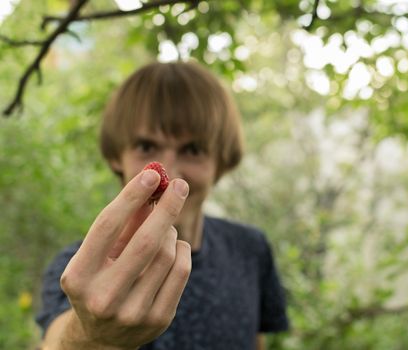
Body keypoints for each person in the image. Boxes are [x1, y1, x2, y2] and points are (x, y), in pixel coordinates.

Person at [36, 61, 289, 349]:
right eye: (146, 147)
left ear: (221, 163)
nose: (168, 173)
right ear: (116, 157)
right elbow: (56, 340)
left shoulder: (250, 249)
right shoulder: (80, 268)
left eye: (193, 150)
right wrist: (92, 335)